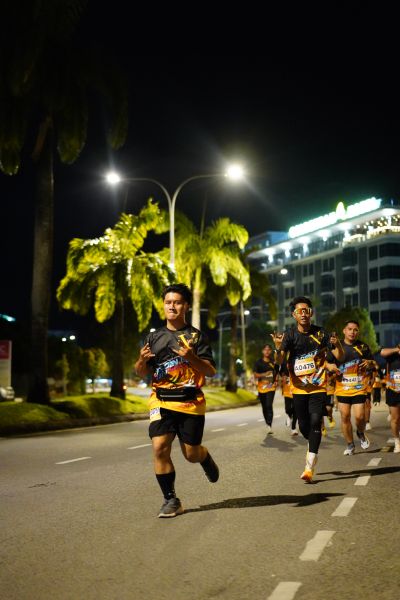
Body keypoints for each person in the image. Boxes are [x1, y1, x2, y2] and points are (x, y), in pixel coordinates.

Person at [134, 283, 219, 518]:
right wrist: (141, 361)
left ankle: (203, 456)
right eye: (168, 302)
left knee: (190, 455)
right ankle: (171, 500)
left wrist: (191, 357)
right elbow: (141, 372)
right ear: (163, 305)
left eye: (177, 302)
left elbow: (211, 371)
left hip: (190, 403)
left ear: (186, 306)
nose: (172, 306)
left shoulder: (197, 337)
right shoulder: (153, 337)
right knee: (160, 447)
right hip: (161, 401)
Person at [272, 296, 344, 482]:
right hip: (298, 389)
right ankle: (312, 443)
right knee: (304, 426)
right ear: (294, 315)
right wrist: (278, 348)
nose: (303, 314)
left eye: (307, 310)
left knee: (315, 421)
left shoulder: (321, 333)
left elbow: (339, 356)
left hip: (318, 386)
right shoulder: (289, 335)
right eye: (300, 311)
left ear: (311, 313)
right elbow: (280, 360)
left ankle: (309, 465)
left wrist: (337, 344)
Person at [327, 320, 374, 456]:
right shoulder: (336, 346)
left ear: (358, 332)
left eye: (355, 330)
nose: (352, 332)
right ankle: (350, 444)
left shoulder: (363, 347)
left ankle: (360, 432)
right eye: (350, 329)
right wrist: (330, 367)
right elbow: (326, 362)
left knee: (360, 417)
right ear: (344, 331)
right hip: (342, 388)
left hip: (359, 387)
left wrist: (369, 362)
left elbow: (372, 363)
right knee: (345, 416)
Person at [253, 344, 279, 434]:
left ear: (271, 351)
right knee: (264, 406)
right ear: (262, 351)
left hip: (271, 386)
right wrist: (264, 374)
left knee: (269, 405)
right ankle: (267, 422)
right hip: (261, 387)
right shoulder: (258, 362)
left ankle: (269, 424)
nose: (267, 351)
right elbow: (255, 374)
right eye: (265, 349)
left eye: (268, 349)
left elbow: (277, 372)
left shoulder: (273, 362)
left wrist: (276, 380)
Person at [380, 342, 400, 453]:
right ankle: (397, 441)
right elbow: (382, 352)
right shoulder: (393, 355)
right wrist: (397, 349)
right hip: (393, 390)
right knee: (395, 418)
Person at [280, 360, 298, 436]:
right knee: (288, 408)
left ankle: (293, 428)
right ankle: (289, 415)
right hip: (287, 388)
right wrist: (282, 378)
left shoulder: (297, 359)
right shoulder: (283, 362)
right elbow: (280, 373)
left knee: (296, 409)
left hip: (296, 388)